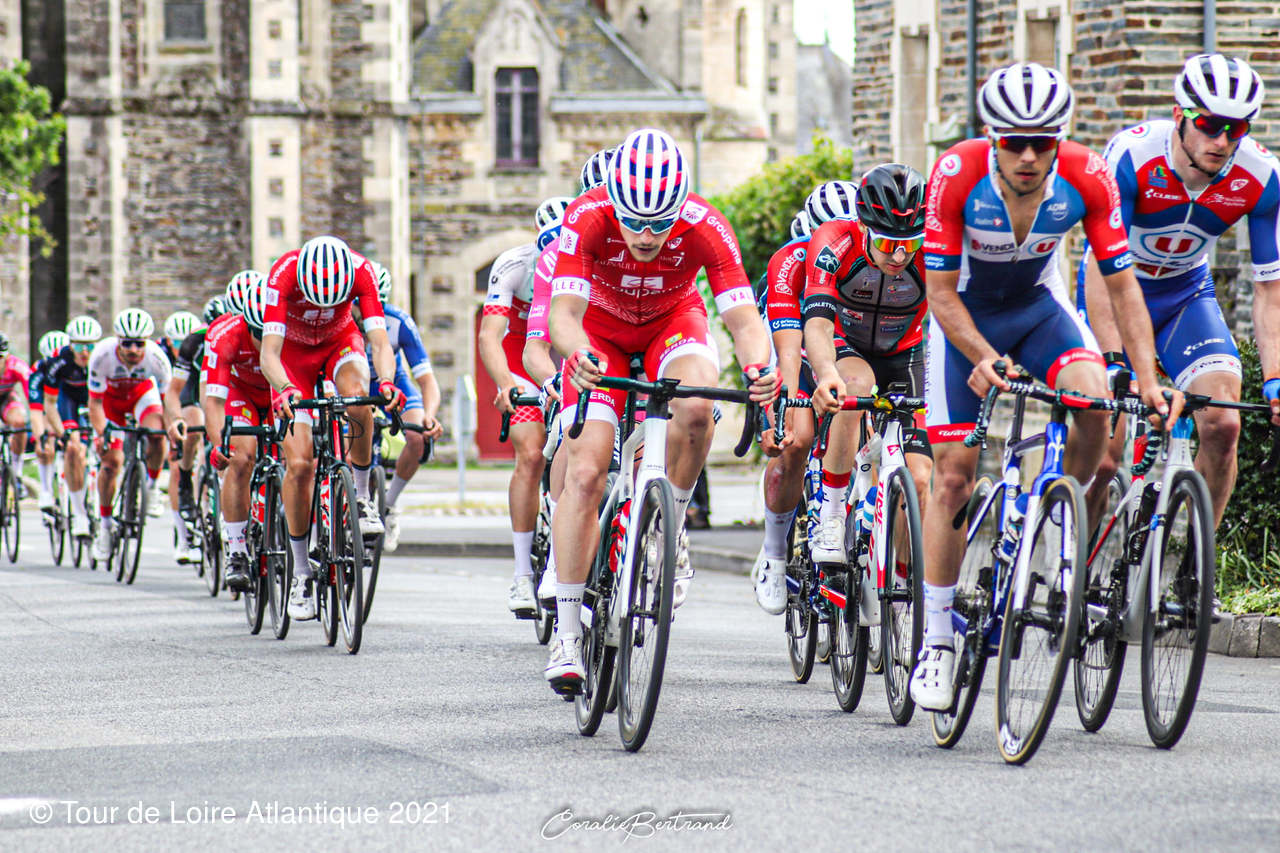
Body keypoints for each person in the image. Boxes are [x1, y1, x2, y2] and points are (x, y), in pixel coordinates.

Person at [908, 63, 1180, 711]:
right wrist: (981, 355)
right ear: (992, 137)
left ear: (1060, 140)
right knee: (954, 476)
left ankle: (1060, 526)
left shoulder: (1088, 176)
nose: (1028, 157)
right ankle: (937, 639)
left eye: (1043, 143)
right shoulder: (956, 173)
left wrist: (1147, 378)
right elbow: (939, 293)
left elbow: (1122, 287)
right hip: (965, 318)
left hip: (1037, 309)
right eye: (1014, 142)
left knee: (1096, 402)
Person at [544, 128, 778, 693]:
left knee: (696, 405)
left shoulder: (705, 225)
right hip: (599, 334)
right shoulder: (587, 215)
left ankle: (670, 523)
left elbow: (744, 320)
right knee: (586, 471)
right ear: (614, 203)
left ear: (681, 207)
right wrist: (577, 355)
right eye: (635, 222)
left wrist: (758, 368)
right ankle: (567, 635)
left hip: (673, 324)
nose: (647, 236)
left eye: (660, 223)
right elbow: (563, 314)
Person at [1081, 53, 1280, 528]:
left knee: (1224, 424)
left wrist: (1275, 376)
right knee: (1105, 456)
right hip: (1116, 291)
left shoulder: (1261, 176)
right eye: (1209, 124)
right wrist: (1115, 361)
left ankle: (1196, 562)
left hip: (1185, 297)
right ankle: (1072, 561)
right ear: (1179, 116)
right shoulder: (1132, 156)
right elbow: (1099, 267)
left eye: (1237, 128)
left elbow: (1270, 289)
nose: (1222, 140)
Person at [801, 164, 934, 593]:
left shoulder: (933, 250)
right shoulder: (834, 241)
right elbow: (818, 323)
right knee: (853, 387)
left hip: (905, 352)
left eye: (910, 244)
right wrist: (826, 373)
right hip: (848, 344)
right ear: (863, 228)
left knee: (919, 478)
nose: (899, 257)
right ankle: (832, 512)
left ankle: (903, 582)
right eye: (887, 243)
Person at [259, 235, 403, 621]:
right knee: (299, 465)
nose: (323, 308)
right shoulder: (282, 274)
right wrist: (285, 388)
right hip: (292, 357)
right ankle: (301, 572)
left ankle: (361, 497)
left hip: (339, 341)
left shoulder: (361, 270)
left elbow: (379, 342)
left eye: (332, 302)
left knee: (359, 398)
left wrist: (387, 382)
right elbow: (269, 353)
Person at [750, 180, 858, 613]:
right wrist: (783, 412)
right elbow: (786, 349)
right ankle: (775, 554)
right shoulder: (790, 263)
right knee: (796, 440)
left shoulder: (867, 258)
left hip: (843, 352)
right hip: (790, 349)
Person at [479, 196, 573, 616]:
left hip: (566, 353)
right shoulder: (515, 265)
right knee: (532, 454)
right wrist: (505, 383)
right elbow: (490, 336)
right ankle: (521, 574)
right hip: (523, 357)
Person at [86, 309, 175, 562]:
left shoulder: (158, 359)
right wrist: (101, 434)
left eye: (139, 343)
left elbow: (169, 403)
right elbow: (95, 403)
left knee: (156, 434)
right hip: (111, 405)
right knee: (111, 463)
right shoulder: (101, 355)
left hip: (141, 397)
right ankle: (105, 526)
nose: (134, 350)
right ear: (117, 340)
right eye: (127, 344)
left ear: (147, 341)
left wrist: (171, 431)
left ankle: (152, 486)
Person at [202, 279, 273, 591]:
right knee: (241, 458)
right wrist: (219, 445)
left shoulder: (292, 333)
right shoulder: (226, 336)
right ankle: (237, 551)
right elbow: (214, 401)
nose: (263, 342)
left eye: (269, 334)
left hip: (277, 391)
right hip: (239, 392)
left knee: (301, 457)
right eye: (257, 334)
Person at [44, 315, 101, 540]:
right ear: (70, 345)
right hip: (68, 401)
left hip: (94, 400)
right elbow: (49, 404)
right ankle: (79, 514)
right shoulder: (59, 361)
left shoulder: (103, 358)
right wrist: (63, 433)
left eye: (89, 346)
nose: (84, 352)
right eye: (78, 346)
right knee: (73, 449)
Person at [161, 309, 205, 558]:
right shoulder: (160, 354)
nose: (181, 347)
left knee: (197, 425)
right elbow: (166, 395)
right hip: (166, 397)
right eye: (176, 343)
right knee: (176, 465)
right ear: (168, 342)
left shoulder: (197, 348)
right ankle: (183, 535)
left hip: (193, 389)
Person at [31, 330, 69, 510]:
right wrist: (41, 438)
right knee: (46, 441)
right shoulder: (38, 371)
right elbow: (36, 409)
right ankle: (46, 490)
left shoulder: (75, 366)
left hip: (67, 406)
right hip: (48, 407)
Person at [0, 334, 31, 496]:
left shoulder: (16, 366)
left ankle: (17, 474)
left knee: (19, 422)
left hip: (7, 398)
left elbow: (32, 394)